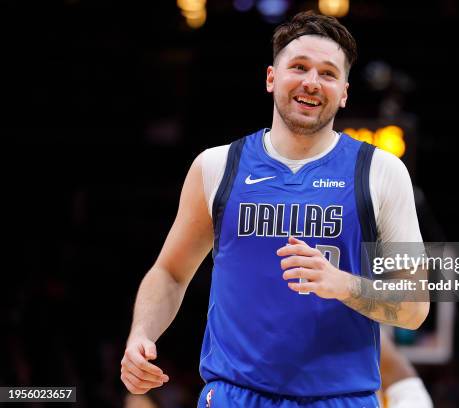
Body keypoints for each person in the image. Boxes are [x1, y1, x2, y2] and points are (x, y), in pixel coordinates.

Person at [120, 11, 429, 407]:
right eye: (298, 67)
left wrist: (342, 284)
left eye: (328, 73)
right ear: (271, 78)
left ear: (345, 91)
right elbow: (170, 273)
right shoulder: (216, 166)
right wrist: (141, 333)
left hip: (339, 398)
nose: (311, 82)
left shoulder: (381, 172)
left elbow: (415, 305)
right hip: (234, 395)